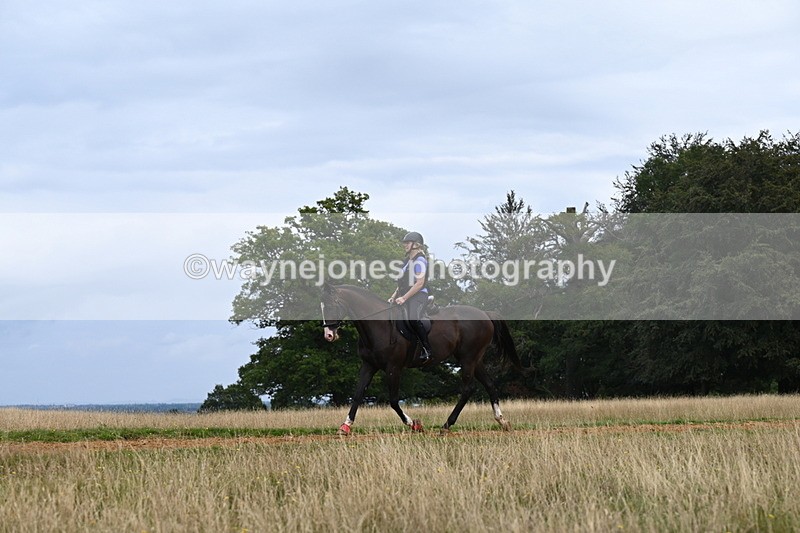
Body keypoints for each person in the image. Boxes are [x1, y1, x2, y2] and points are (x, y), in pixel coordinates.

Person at [388, 231, 433, 363]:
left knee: (413, 318)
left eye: (407, 243)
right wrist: (393, 296)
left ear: (416, 245)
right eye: (405, 243)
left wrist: (404, 298)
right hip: (406, 295)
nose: (405, 245)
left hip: (419, 295)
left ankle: (427, 349)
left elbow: (419, 283)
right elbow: (401, 284)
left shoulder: (420, 260)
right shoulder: (407, 261)